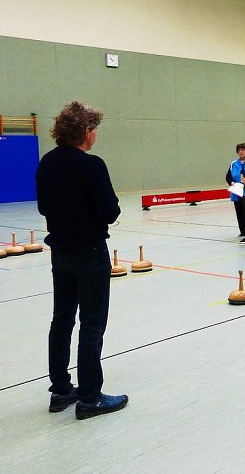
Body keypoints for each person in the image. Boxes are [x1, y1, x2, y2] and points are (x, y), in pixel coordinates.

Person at [36, 101, 128, 420]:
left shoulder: (47, 162)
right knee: (91, 323)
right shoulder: (91, 165)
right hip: (89, 253)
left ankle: (61, 389)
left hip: (60, 253)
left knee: (61, 319)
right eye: (95, 130)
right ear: (86, 132)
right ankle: (90, 397)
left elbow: (44, 208)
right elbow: (110, 211)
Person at [226, 143, 245, 238]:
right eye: (239, 150)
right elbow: (228, 177)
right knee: (239, 212)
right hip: (237, 191)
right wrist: (231, 182)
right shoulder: (233, 164)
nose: (241, 152)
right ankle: (243, 231)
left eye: (243, 150)